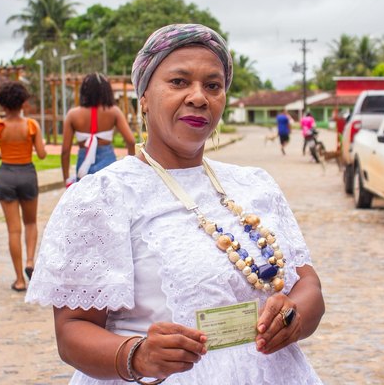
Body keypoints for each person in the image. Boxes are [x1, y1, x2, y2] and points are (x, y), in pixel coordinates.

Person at [26, 24, 324, 384]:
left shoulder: (254, 185)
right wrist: (138, 355)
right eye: (179, 82)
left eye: (213, 85)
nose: (198, 97)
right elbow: (72, 331)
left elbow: (308, 285)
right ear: (144, 97)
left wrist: (293, 317)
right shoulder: (103, 197)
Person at [0, 81, 47, 292]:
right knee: (30, 222)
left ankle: (19, 279)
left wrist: (4, 154)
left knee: (13, 230)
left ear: (2, 104)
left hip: (6, 175)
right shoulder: (31, 125)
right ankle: (30, 261)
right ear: (23, 103)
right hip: (27, 174)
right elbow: (42, 154)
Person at [61, 72, 136, 187]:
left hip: (84, 165)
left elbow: (65, 151)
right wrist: (129, 168)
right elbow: (131, 141)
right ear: (106, 90)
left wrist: (66, 179)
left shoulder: (73, 115)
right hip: (108, 162)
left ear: (84, 90)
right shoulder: (114, 111)